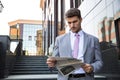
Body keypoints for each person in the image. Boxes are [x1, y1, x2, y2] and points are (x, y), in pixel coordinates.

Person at [46, 8, 103, 80]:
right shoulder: (59, 40)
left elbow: (99, 61)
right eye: (69, 23)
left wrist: (92, 67)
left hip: (86, 77)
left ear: (81, 19)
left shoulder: (93, 40)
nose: (72, 25)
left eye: (75, 21)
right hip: (65, 78)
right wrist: (51, 63)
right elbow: (55, 60)